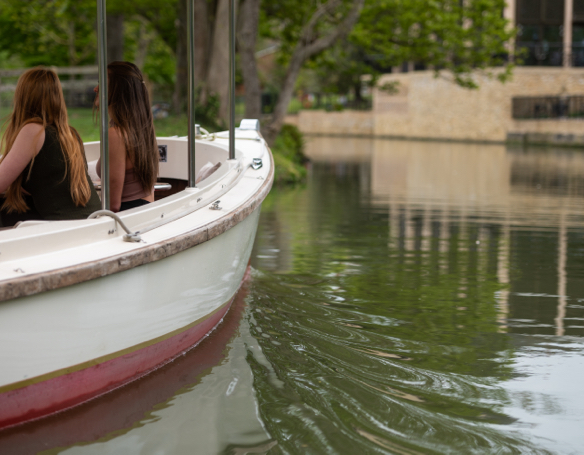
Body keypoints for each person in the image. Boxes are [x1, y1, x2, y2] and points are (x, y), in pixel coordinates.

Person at [0, 67, 101, 227]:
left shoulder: (33, 130)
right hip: (95, 221)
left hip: (68, 229)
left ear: (22, 97)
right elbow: (48, 181)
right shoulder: (70, 134)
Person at [95, 61, 158, 212]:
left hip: (125, 218)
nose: (96, 88)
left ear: (118, 90)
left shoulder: (116, 135)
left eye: (102, 83)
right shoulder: (142, 131)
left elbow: (112, 206)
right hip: (143, 212)